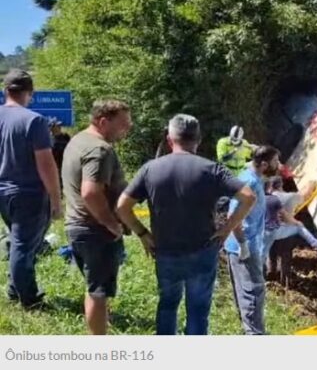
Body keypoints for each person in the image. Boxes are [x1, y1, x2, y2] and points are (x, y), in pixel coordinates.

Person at [116, 114, 256, 335]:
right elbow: (248, 197)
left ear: (170, 139)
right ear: (197, 140)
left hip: (165, 250)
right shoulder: (212, 169)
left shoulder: (150, 169)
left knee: (167, 306)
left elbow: (122, 206)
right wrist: (227, 228)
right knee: (198, 311)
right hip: (202, 249)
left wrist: (142, 233)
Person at [61, 100, 132, 334]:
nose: (127, 128)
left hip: (77, 226)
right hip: (95, 231)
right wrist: (110, 223)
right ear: (103, 122)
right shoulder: (99, 149)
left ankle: (100, 327)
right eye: (123, 124)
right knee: (98, 292)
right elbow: (90, 192)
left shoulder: (77, 141)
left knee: (94, 287)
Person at [0, 69, 62, 309]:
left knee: (18, 241)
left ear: (6, 90)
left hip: (3, 191)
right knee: (24, 247)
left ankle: (15, 289)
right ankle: (29, 298)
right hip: (28, 193)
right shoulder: (34, 120)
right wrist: (56, 201)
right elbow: (46, 166)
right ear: (30, 93)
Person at [222, 146, 279, 335]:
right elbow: (232, 215)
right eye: (275, 162)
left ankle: (251, 330)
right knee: (254, 292)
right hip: (243, 247)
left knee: (245, 291)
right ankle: (255, 334)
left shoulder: (251, 176)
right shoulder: (251, 183)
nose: (278, 165)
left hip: (244, 245)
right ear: (264, 165)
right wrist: (243, 245)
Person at [262, 176, 317, 261]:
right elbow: (304, 196)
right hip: (275, 232)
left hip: (264, 233)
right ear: (280, 185)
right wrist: (312, 184)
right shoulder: (287, 197)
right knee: (298, 227)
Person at [49, 118, 71, 188]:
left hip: (65, 164)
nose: (59, 127)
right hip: (55, 165)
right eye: (57, 126)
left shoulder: (65, 137)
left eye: (59, 126)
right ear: (52, 128)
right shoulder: (49, 139)